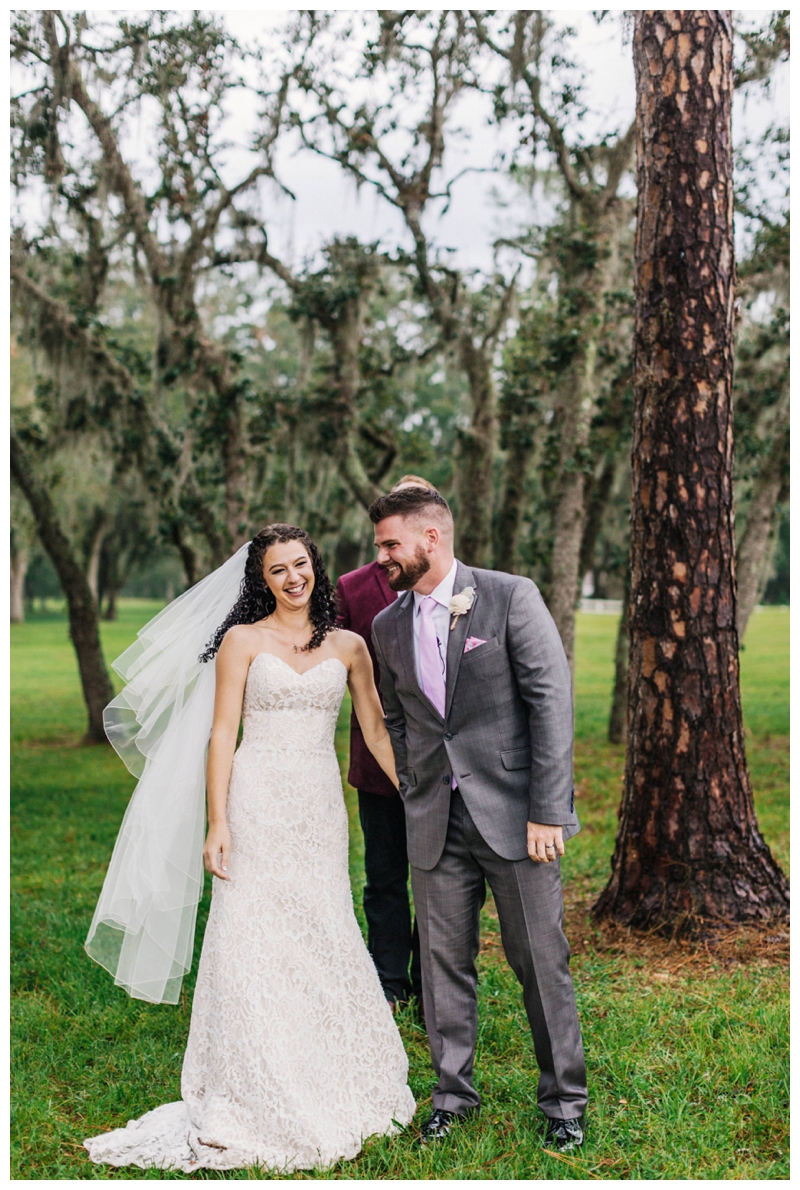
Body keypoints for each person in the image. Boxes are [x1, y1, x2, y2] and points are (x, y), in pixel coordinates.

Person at [83, 524, 415, 1174]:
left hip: (317, 807)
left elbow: (374, 728)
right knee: (251, 931)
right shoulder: (241, 641)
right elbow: (222, 732)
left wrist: (415, 793)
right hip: (256, 798)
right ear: (260, 581)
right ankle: (250, 1080)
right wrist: (217, 823)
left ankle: (323, 1065)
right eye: (278, 571)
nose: (294, 578)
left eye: (300, 565)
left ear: (314, 567)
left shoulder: (349, 645)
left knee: (321, 922)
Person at [369, 486, 588, 1153]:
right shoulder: (386, 626)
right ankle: (453, 1096)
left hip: (518, 820)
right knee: (441, 964)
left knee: (538, 960)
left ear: (430, 538)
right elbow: (399, 717)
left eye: (389, 544)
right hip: (435, 819)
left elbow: (551, 703)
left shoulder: (509, 595)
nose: (382, 557)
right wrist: (413, 786)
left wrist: (548, 809)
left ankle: (565, 1103)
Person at [335, 475, 433, 1011]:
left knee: (442, 879)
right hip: (377, 761)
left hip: (443, 762)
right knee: (385, 875)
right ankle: (389, 981)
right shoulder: (352, 589)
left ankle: (433, 980)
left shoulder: (449, 582)